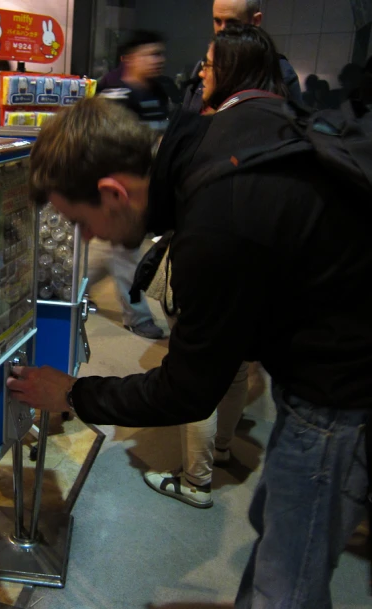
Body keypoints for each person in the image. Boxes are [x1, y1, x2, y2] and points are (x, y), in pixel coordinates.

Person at [8, 24, 372, 608]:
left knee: (289, 576)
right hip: (331, 353)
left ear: (113, 192)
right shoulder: (205, 136)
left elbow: (187, 390)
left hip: (342, 385)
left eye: (79, 221)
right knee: (277, 518)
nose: (86, 238)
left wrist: (75, 394)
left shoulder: (215, 224)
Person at [141, 22, 292, 509]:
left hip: (208, 270)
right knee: (235, 369)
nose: (200, 73)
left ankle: (195, 479)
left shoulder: (205, 125)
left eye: (207, 64)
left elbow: (165, 205)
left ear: (228, 70)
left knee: (195, 372)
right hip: (267, 279)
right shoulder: (289, 120)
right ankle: (222, 450)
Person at [90, 30, 169, 340]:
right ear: (131, 58)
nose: (158, 60)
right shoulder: (114, 91)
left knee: (107, 253)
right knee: (125, 252)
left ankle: (69, 291)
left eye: (160, 54)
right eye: (152, 54)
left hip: (143, 188)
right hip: (118, 189)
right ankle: (137, 317)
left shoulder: (158, 92)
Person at [183, 0, 302, 113]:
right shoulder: (203, 67)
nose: (222, 31)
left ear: (256, 21)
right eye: (217, 21)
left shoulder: (280, 72)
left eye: (232, 23)